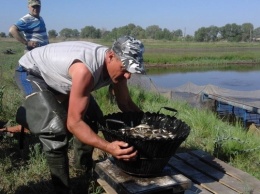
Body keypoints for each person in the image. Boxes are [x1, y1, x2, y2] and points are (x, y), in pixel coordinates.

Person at [15, 35, 145, 193]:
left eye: (131, 70)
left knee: (93, 118)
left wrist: (146, 123)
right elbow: (74, 123)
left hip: (63, 77)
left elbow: (125, 103)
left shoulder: (118, 70)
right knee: (55, 129)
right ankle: (62, 189)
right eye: (125, 69)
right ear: (110, 56)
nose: (128, 76)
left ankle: (82, 168)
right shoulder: (85, 70)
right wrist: (108, 147)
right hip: (32, 71)